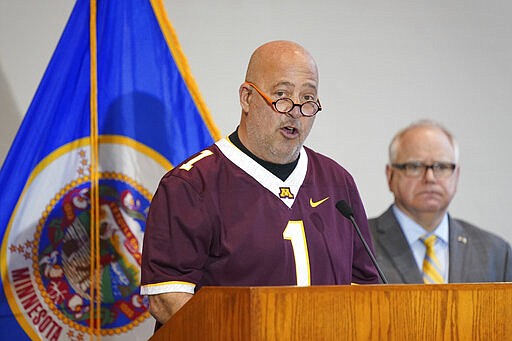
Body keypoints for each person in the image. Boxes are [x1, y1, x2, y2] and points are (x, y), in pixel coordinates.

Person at [140, 40, 379, 327]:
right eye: (282, 96)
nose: (295, 111)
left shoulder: (337, 182)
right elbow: (169, 299)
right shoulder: (191, 185)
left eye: (308, 100)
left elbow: (366, 292)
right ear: (247, 98)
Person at [368, 120, 512, 284]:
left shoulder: (496, 253)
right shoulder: (359, 244)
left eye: (442, 167)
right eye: (415, 166)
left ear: (456, 176)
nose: (429, 178)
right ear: (390, 175)